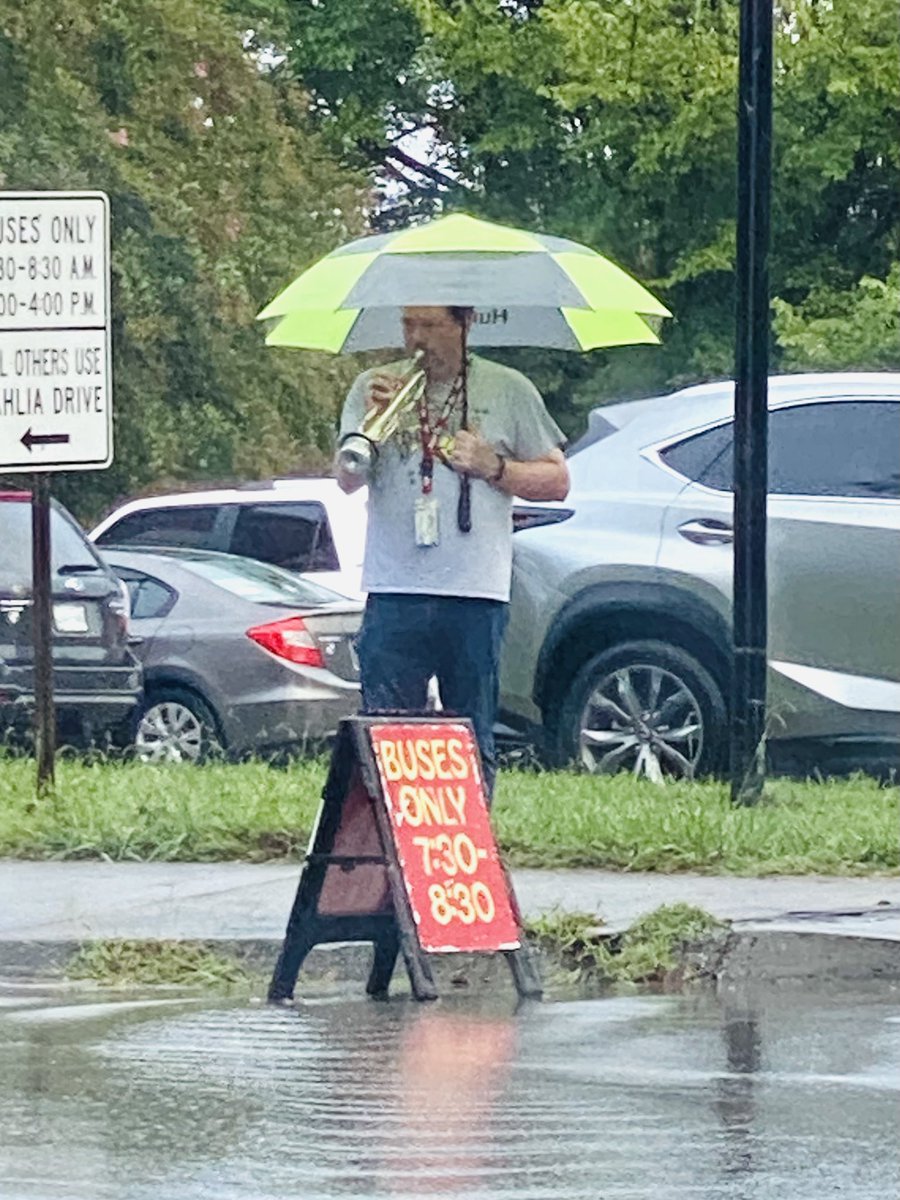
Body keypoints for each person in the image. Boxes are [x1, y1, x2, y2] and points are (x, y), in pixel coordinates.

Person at [335, 305, 570, 799]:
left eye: (430, 325)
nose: (416, 339)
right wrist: (373, 423)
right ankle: (396, 837)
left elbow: (557, 481)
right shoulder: (372, 386)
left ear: (465, 324)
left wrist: (494, 466)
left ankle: (472, 836)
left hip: (474, 591)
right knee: (386, 736)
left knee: (470, 731)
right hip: (394, 586)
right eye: (408, 324)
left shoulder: (508, 389)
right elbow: (346, 479)